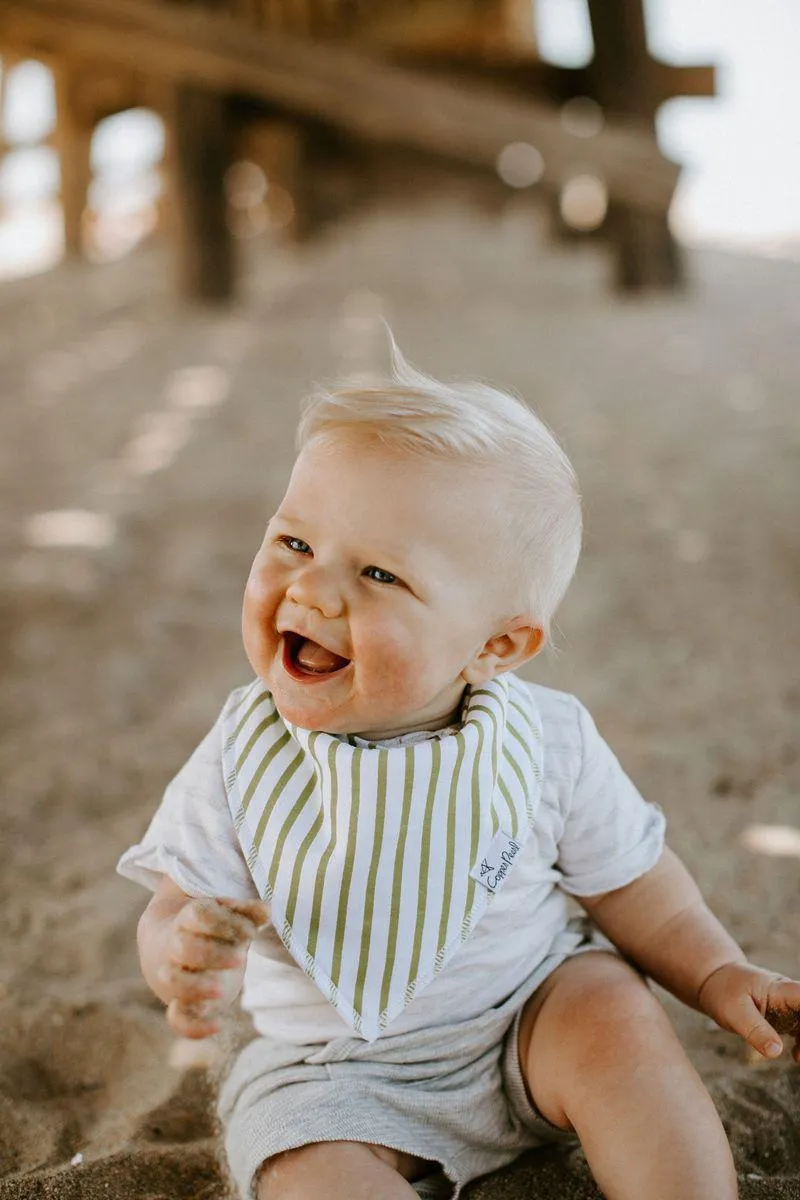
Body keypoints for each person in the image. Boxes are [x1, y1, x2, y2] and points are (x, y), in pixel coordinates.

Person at [119, 347, 800, 1200]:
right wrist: (178, 949)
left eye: (379, 574)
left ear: (496, 647)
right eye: (295, 541)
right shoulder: (243, 752)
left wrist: (715, 974)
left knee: (614, 1012)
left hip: (530, 1017)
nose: (313, 592)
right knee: (297, 1163)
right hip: (331, 1072)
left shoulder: (544, 741)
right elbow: (177, 901)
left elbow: (635, 885)